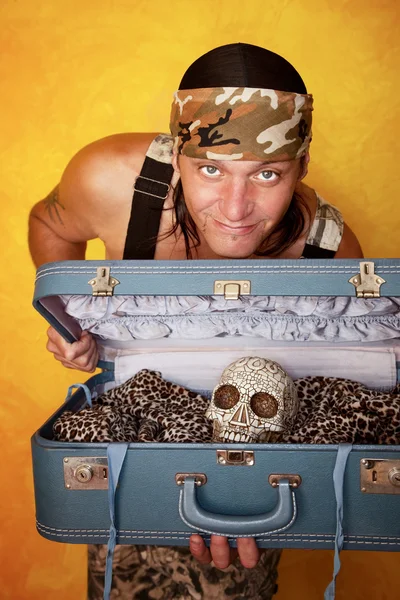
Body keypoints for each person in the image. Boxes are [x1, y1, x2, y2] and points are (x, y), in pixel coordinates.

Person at [29, 42, 363, 599]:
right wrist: (73, 317)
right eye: (210, 169)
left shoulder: (331, 253)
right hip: (131, 445)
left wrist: (254, 496)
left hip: (255, 463)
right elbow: (50, 223)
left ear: (301, 166)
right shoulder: (109, 179)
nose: (235, 211)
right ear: (176, 154)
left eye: (267, 176)